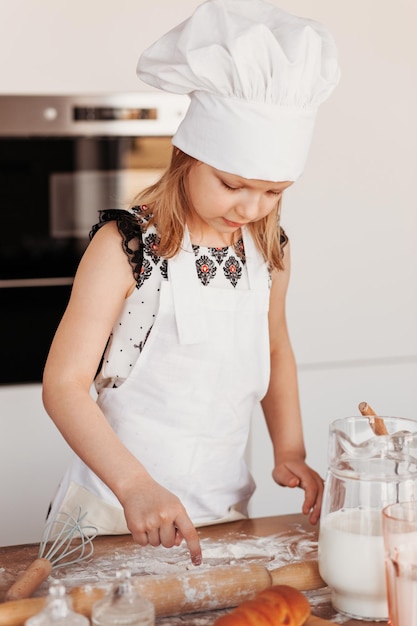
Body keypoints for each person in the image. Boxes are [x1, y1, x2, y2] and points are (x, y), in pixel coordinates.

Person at [42, 0, 340, 566]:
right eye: (233, 184)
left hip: (224, 512)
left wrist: (290, 447)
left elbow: (275, 347)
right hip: (111, 511)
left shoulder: (270, 250)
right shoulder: (126, 248)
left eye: (274, 191)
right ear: (188, 157)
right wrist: (135, 486)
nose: (252, 207)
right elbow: (63, 384)